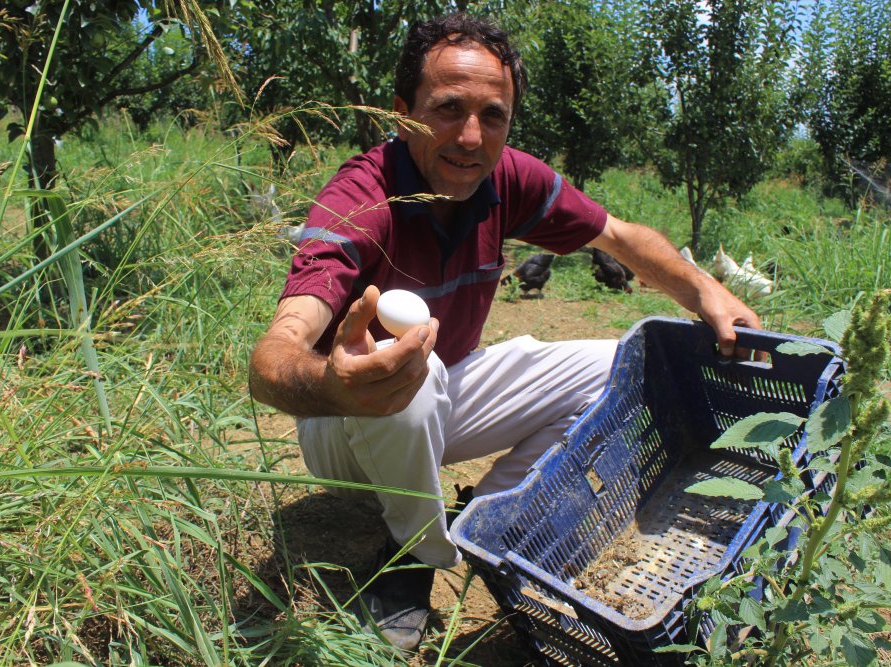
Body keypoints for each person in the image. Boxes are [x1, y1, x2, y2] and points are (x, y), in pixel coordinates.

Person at [249, 12, 761, 652]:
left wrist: (706, 289)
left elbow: (620, 238)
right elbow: (273, 357)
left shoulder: (507, 179)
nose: (471, 136)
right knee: (406, 364)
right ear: (403, 112)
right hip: (341, 420)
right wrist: (330, 385)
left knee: (617, 365)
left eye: (493, 115)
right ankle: (412, 560)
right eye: (448, 109)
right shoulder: (361, 197)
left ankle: (482, 524)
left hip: (437, 389)